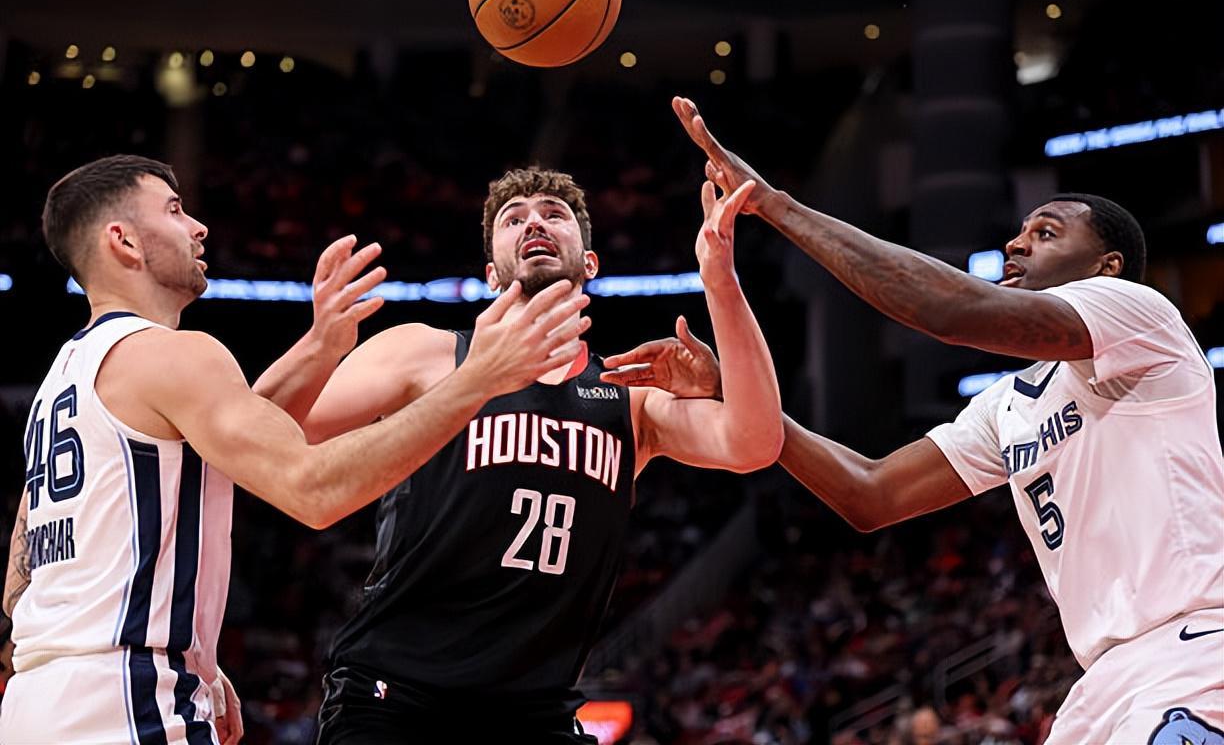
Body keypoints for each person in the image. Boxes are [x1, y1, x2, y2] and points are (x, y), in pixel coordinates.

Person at [602, 98, 1224, 744]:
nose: (1015, 243)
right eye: (1021, 231)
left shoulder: (1140, 316)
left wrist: (775, 205)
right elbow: (871, 494)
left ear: (1106, 267)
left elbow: (947, 311)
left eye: (1046, 233)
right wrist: (736, 394)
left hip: (1193, 650)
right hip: (1101, 684)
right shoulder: (1009, 404)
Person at [1, 155, 591, 744]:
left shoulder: (64, 379)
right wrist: (477, 380)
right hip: (127, 702)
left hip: (36, 699)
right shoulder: (174, 353)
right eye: (175, 211)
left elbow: (18, 584)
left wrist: (321, 344)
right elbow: (313, 489)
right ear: (124, 241)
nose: (198, 227)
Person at [256, 166, 784, 744]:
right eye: (514, 219)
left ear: (589, 262)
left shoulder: (630, 398)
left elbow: (755, 442)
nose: (535, 222)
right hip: (397, 698)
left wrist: (721, 283)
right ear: (491, 273)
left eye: (555, 214)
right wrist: (318, 346)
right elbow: (267, 433)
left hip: (537, 714)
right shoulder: (425, 354)